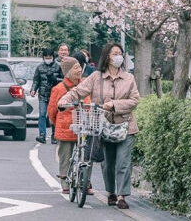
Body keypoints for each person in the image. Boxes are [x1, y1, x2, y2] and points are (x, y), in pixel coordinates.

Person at [58, 43, 140, 210]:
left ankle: (122, 195)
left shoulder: (129, 78)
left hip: (125, 126)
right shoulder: (96, 77)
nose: (118, 56)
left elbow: (134, 100)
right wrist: (64, 99)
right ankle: (111, 192)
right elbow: (78, 91)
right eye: (114, 53)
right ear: (107, 57)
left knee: (123, 162)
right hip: (102, 125)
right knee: (107, 163)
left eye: (120, 53)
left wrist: (114, 104)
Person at [47, 56, 93, 196]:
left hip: (84, 126)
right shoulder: (58, 89)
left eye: (80, 67)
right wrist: (59, 125)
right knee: (65, 156)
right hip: (66, 128)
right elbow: (52, 111)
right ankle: (65, 182)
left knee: (87, 155)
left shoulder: (85, 85)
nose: (79, 70)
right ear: (67, 72)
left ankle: (85, 182)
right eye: (76, 67)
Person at [31, 48, 62, 144]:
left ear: (53, 57)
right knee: (42, 114)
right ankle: (42, 135)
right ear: (43, 58)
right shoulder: (40, 67)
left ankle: (54, 135)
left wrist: (55, 79)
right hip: (43, 94)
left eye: (50, 57)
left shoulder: (58, 67)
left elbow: (63, 80)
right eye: (46, 57)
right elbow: (36, 80)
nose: (48, 59)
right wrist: (33, 90)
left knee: (54, 115)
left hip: (54, 94)